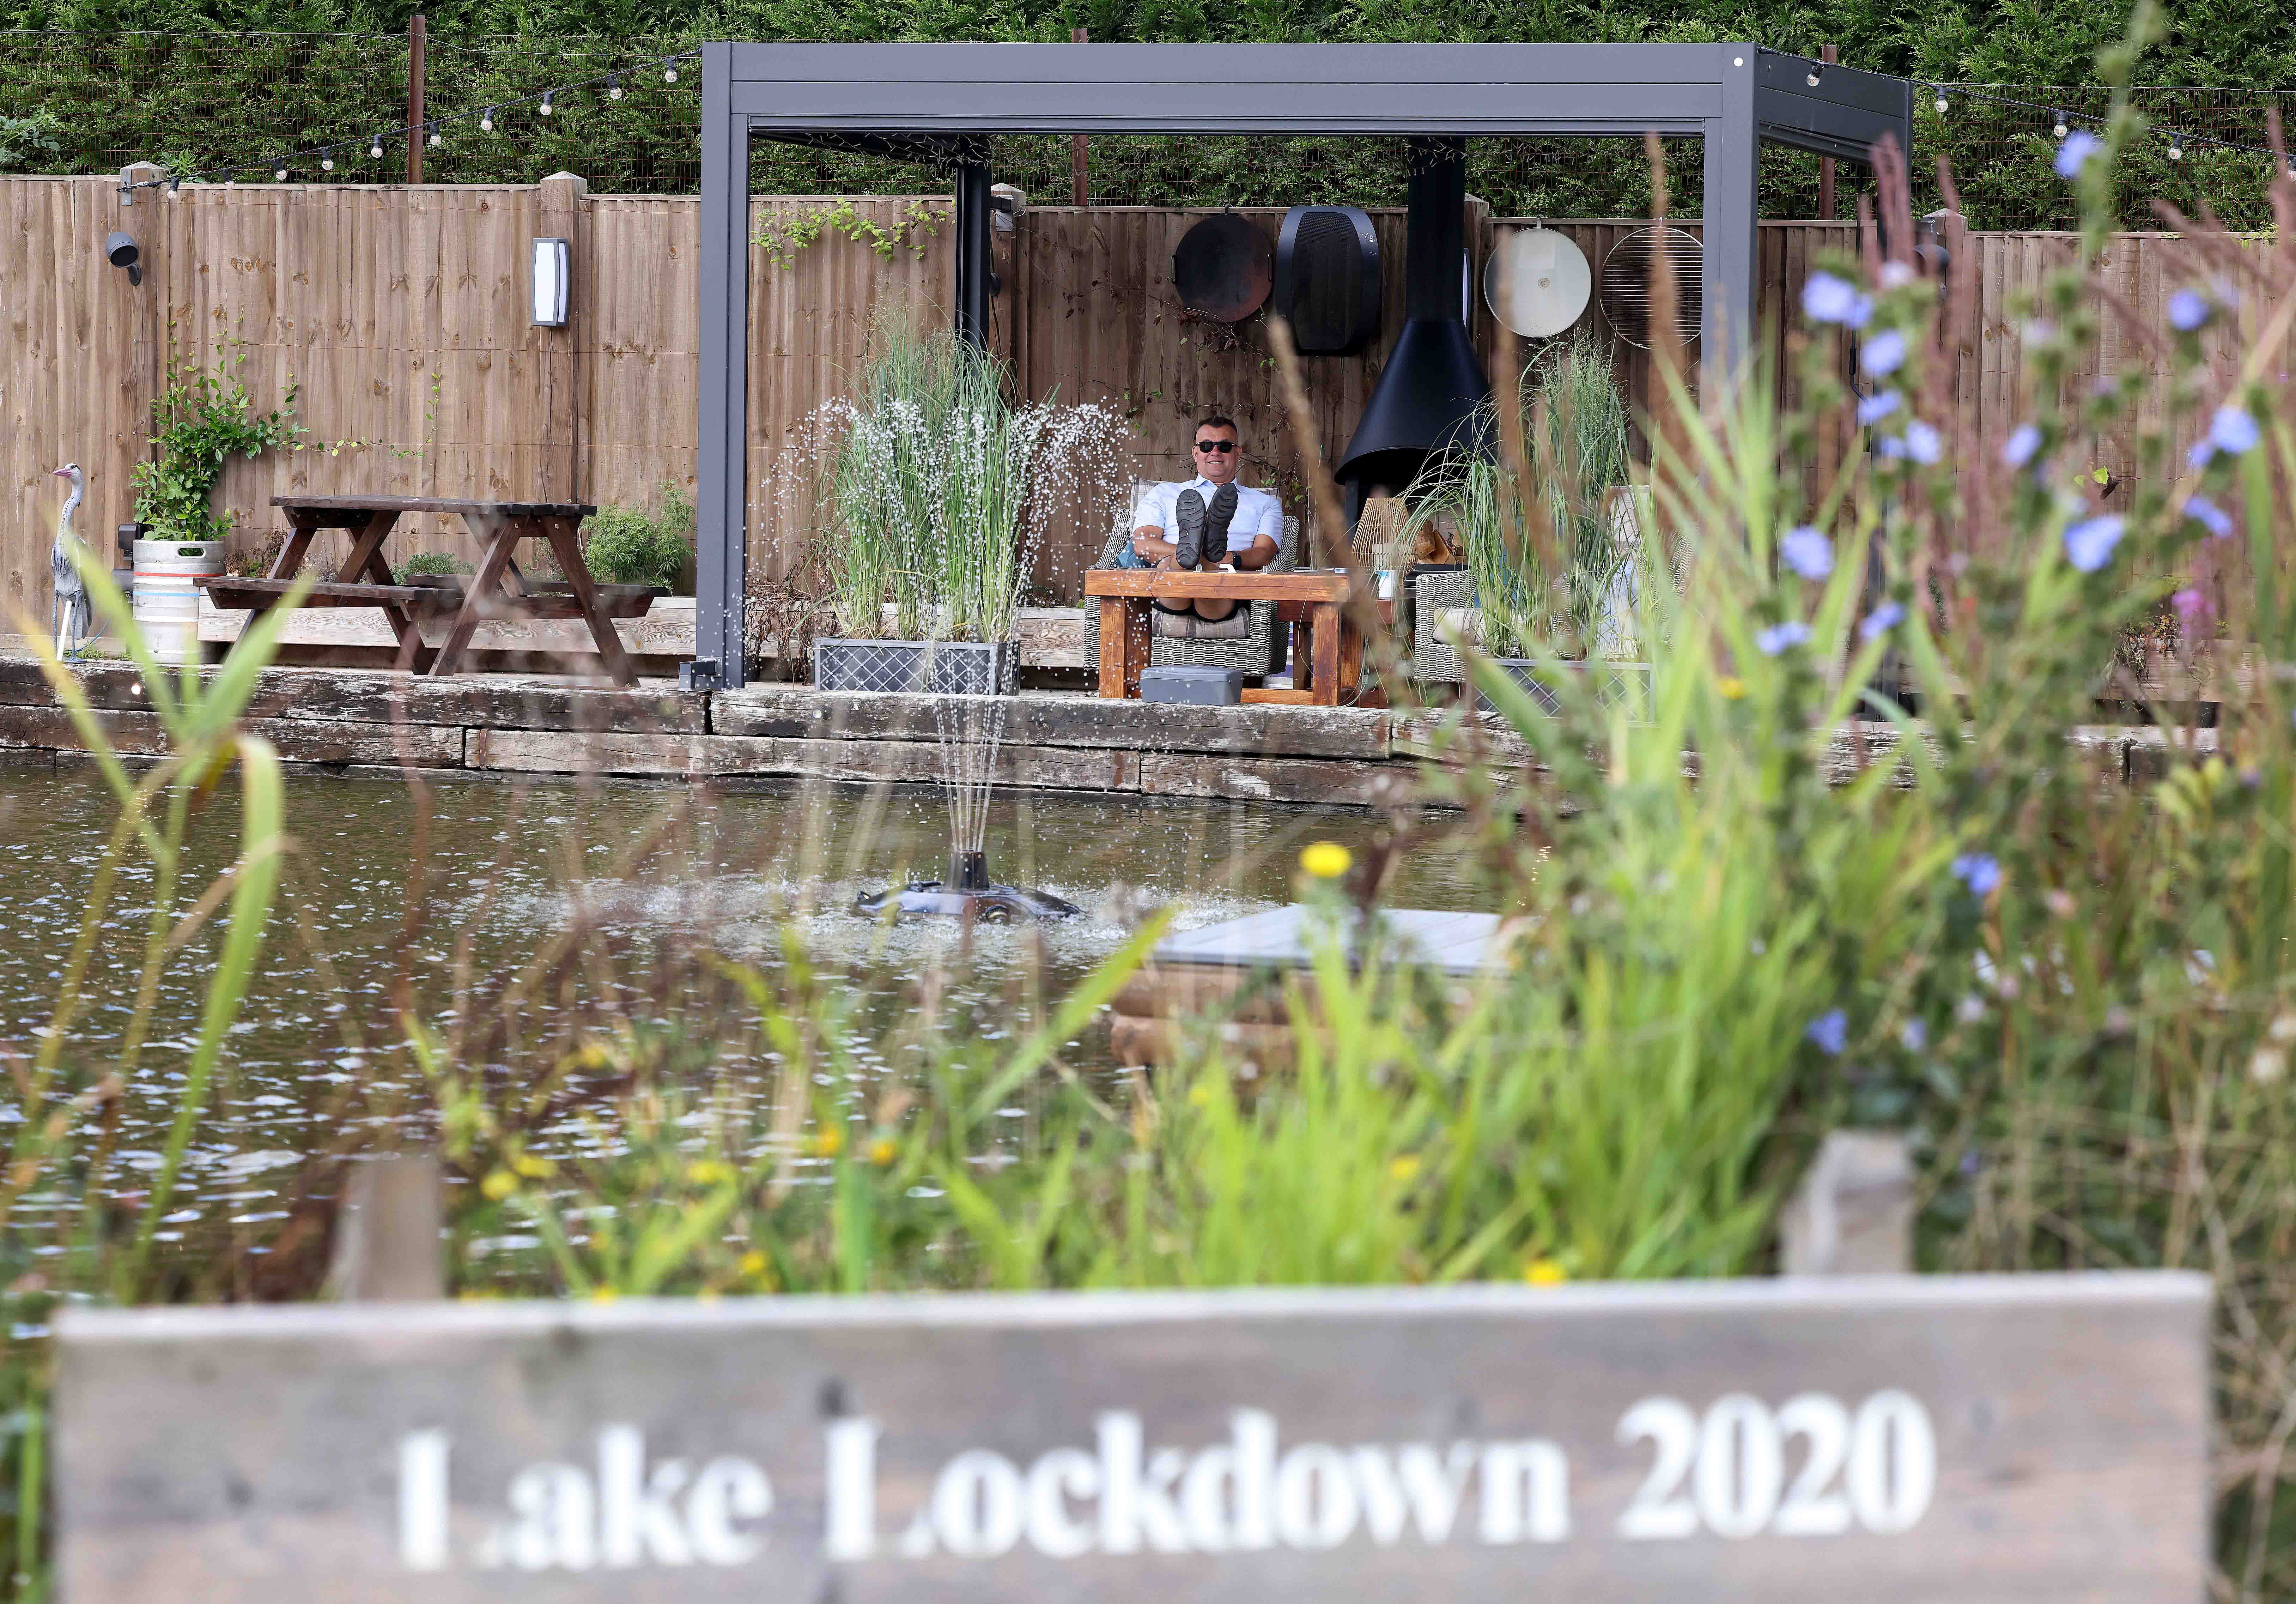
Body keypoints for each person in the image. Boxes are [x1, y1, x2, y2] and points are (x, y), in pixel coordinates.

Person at [1120, 414, 1283, 626]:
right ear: (1195, 453)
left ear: (1238, 452)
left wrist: (1231, 558)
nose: (1215, 452)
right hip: (1171, 588)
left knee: (1215, 575)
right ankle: (1193, 554)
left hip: (1226, 589)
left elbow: (1265, 552)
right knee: (1178, 564)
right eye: (1206, 445)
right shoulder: (1165, 493)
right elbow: (1143, 544)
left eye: (1224, 446)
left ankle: (1205, 557)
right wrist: (1192, 554)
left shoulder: (1265, 503)